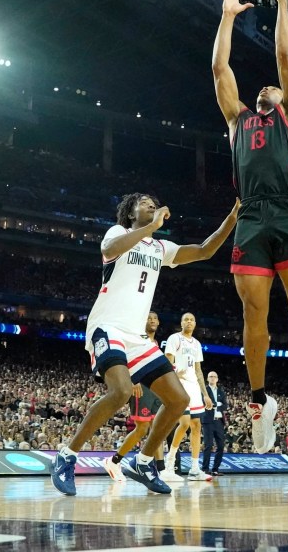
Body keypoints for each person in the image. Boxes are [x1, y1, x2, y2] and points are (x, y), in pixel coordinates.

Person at [50, 194, 239, 496]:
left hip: (137, 337)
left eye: (154, 202)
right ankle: (66, 455)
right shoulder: (118, 232)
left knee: (178, 400)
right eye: (145, 202)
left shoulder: (160, 248)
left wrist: (231, 219)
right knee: (121, 391)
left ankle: (144, 461)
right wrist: (151, 226)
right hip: (107, 326)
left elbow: (204, 251)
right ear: (130, 211)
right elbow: (110, 249)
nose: (152, 204)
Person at [212, 0, 288, 453]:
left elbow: (284, 56)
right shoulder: (238, 120)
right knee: (253, 311)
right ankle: (260, 402)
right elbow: (220, 71)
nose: (267, 87)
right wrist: (226, 19)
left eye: (273, 88)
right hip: (252, 215)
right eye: (263, 89)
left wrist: (281, 0)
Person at [103, 311, 164, 482]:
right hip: (140, 387)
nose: (152, 320)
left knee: (156, 428)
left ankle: (160, 469)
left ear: (158, 322)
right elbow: (125, 358)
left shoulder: (156, 342)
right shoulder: (136, 337)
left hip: (154, 389)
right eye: (148, 318)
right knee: (142, 429)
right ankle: (114, 461)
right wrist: (134, 380)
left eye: (154, 318)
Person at [162, 312, 214, 482]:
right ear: (181, 322)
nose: (189, 322)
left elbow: (198, 370)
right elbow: (167, 360)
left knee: (196, 425)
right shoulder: (174, 338)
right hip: (179, 383)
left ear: (195, 323)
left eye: (192, 319)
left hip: (193, 386)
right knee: (184, 423)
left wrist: (205, 394)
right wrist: (176, 371)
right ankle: (169, 464)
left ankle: (194, 468)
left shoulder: (197, 344)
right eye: (186, 319)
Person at [201, 370, 227, 476]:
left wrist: (216, 405)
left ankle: (215, 469)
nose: (212, 378)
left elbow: (225, 406)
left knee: (221, 446)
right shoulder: (204, 390)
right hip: (208, 421)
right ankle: (205, 469)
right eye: (210, 376)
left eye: (214, 376)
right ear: (207, 379)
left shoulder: (221, 391)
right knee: (208, 445)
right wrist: (217, 404)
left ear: (217, 379)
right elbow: (204, 402)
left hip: (219, 422)